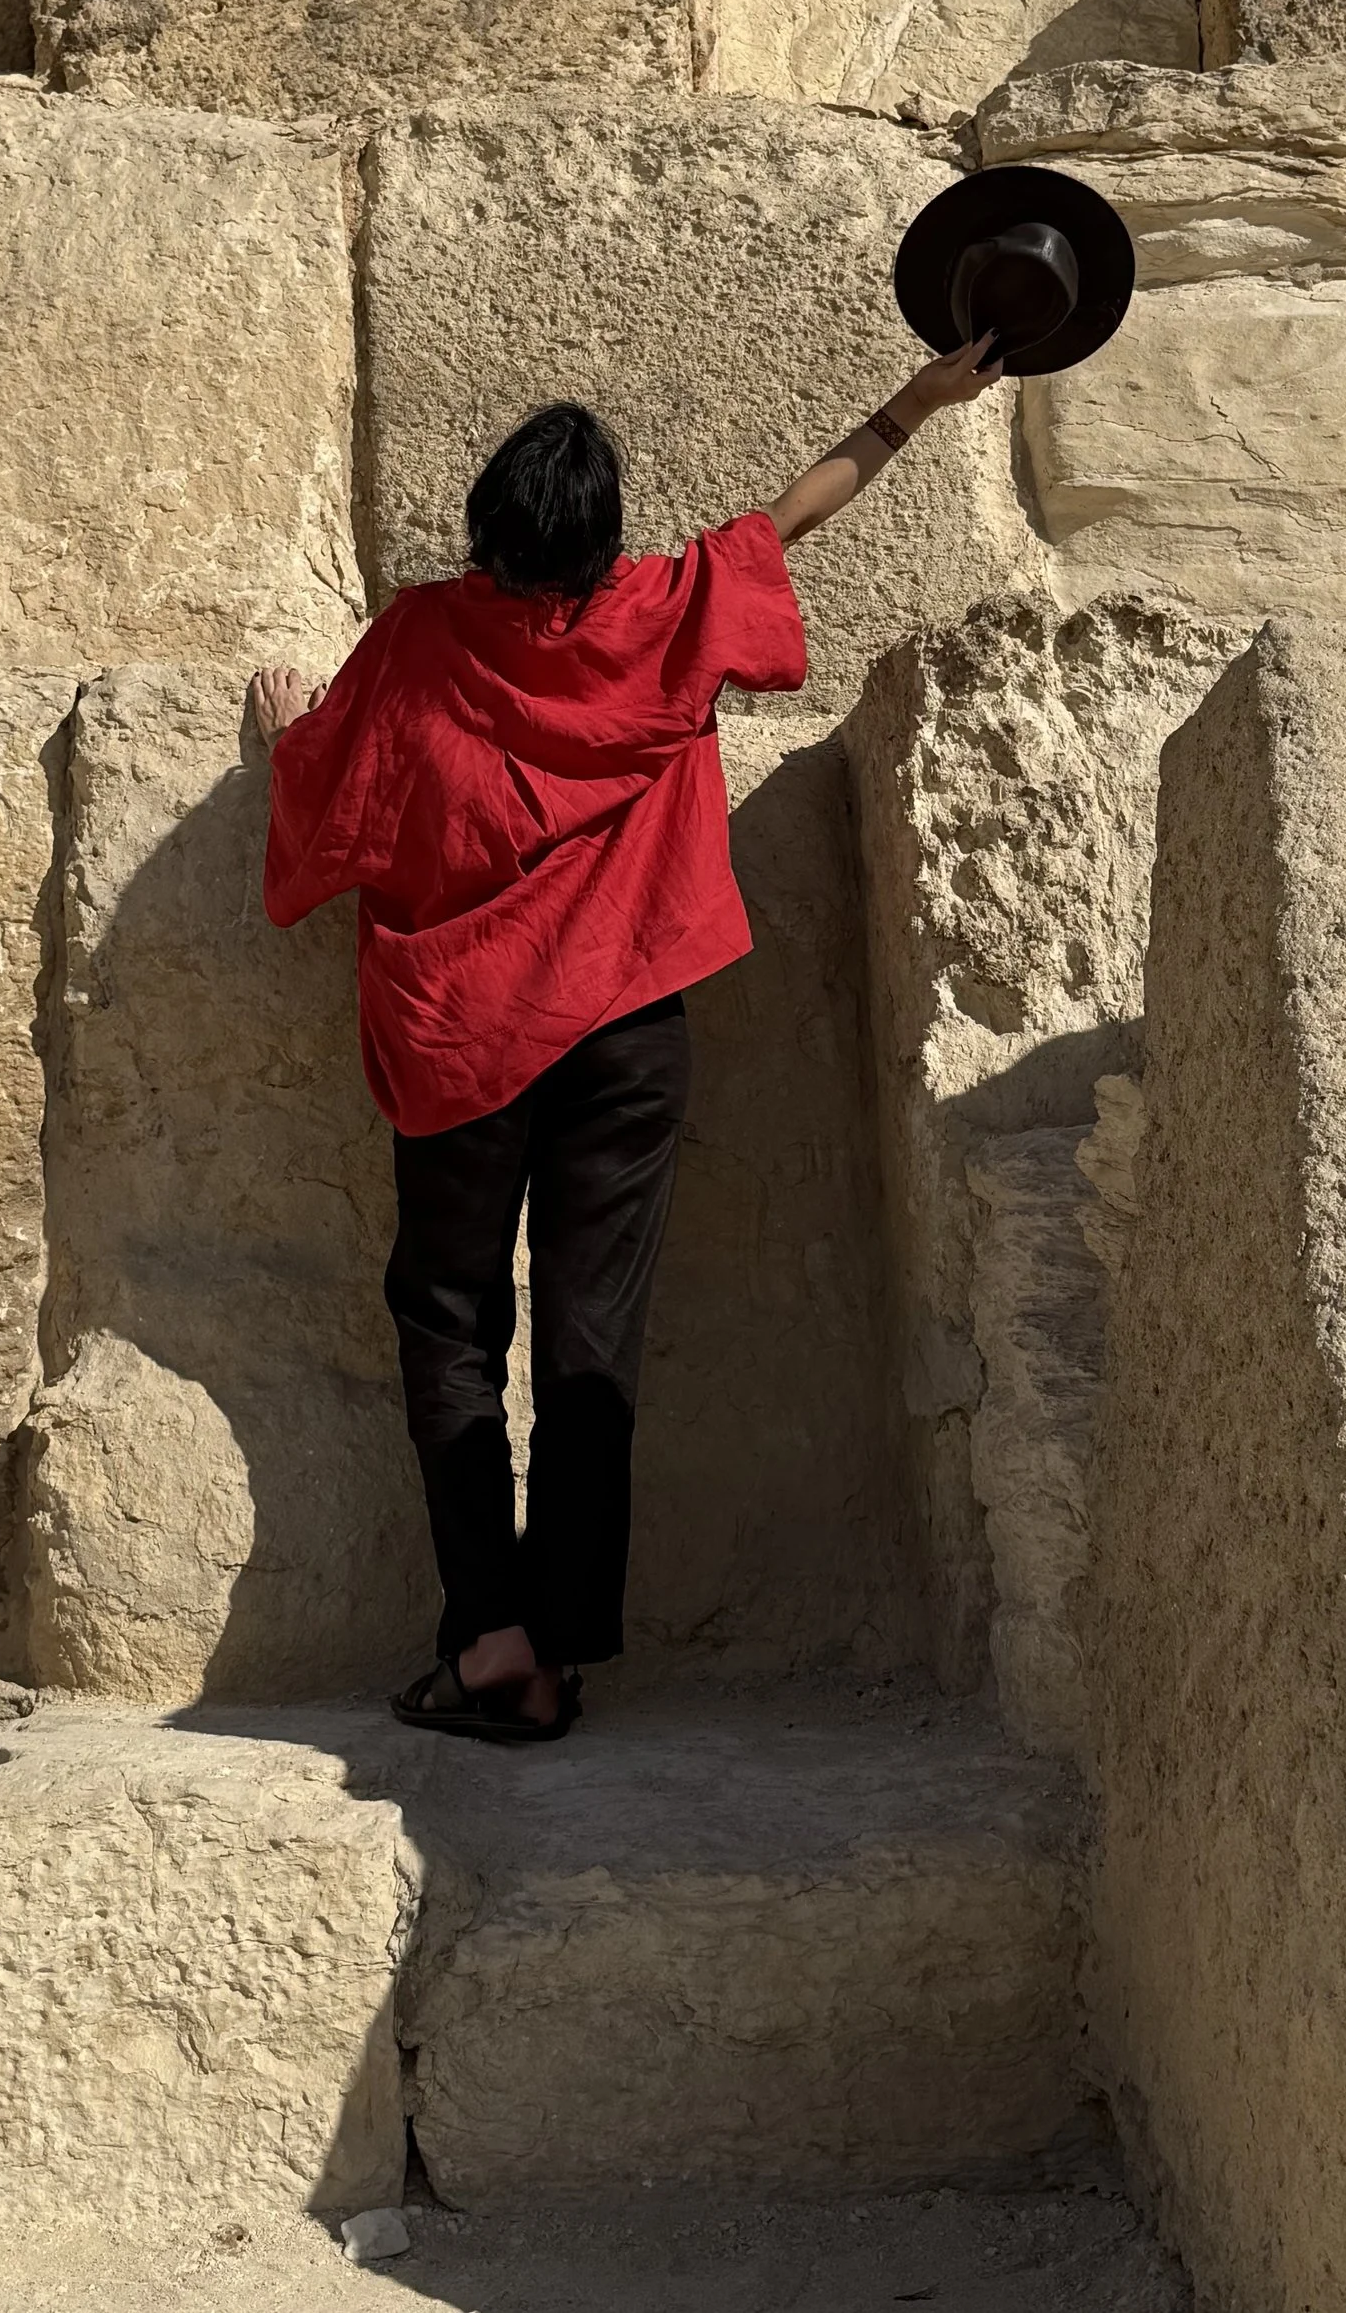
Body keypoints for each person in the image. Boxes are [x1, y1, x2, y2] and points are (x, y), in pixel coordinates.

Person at [251, 331, 1005, 1745]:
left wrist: (287, 744)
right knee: (596, 1336)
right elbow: (801, 507)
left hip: (464, 1041)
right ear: (601, 542)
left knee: (452, 1328)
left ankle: (491, 1646)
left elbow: (333, 804)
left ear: (488, 530)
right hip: (626, 1037)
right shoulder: (659, 610)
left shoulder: (421, 636)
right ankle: (565, 1643)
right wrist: (922, 397)